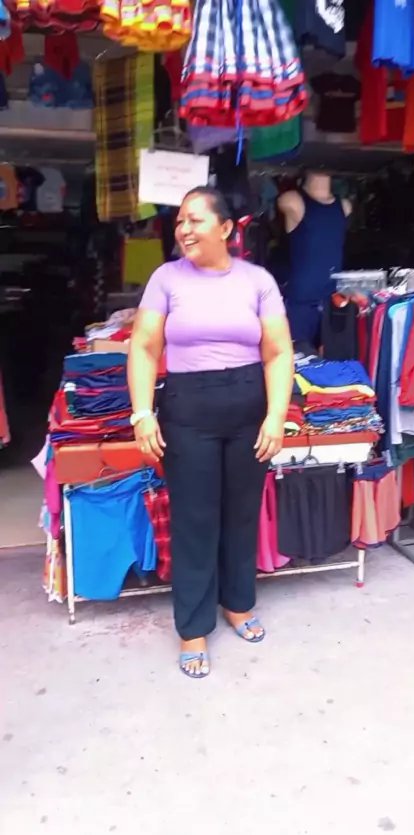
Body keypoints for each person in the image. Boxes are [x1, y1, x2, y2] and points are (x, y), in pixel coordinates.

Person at [128, 187, 293, 678]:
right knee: (195, 520)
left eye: (195, 220)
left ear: (225, 228)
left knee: (241, 513)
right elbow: (143, 346)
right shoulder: (166, 279)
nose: (184, 229)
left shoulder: (258, 281)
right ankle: (193, 627)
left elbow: (278, 352)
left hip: (249, 409)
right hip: (188, 411)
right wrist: (142, 413)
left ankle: (238, 603)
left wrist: (275, 416)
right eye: (180, 220)